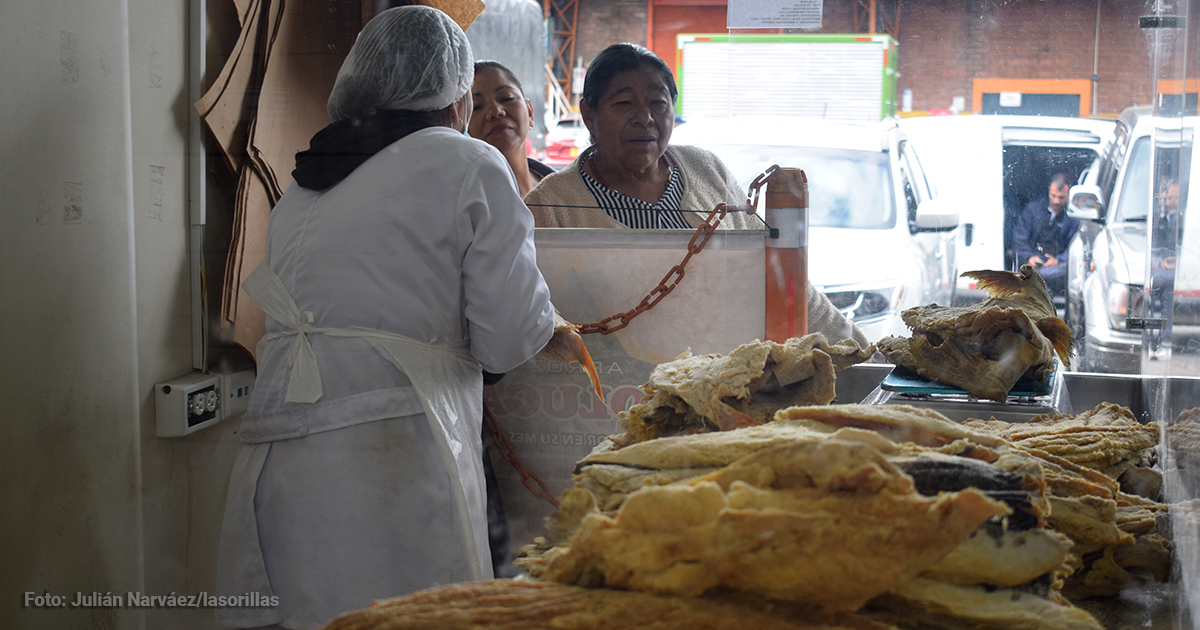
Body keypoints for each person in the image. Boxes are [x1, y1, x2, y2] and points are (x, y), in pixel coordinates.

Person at [215, 7, 555, 629]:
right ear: (454, 95)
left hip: (284, 450)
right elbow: (510, 340)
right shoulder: (468, 164)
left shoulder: (307, 181)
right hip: (400, 452)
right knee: (414, 614)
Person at [524, 43, 868, 347]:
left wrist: (863, 350)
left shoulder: (706, 169)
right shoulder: (548, 206)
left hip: (722, 383)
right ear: (589, 114)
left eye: (658, 103)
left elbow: (778, 277)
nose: (644, 118)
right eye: (624, 103)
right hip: (610, 396)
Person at [469, 60, 554, 197]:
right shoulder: (463, 202)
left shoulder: (564, 192)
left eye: (506, 98)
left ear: (530, 112)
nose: (496, 111)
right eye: (477, 106)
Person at [1012, 172, 1080, 298]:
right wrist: (1029, 258)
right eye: (1053, 196)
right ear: (1048, 190)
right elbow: (1019, 240)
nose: (1056, 201)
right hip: (1033, 261)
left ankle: (1038, 278)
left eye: (1061, 197)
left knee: (1068, 269)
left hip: (1058, 267)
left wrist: (1058, 260)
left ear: (1068, 195)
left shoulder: (1073, 218)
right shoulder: (1032, 211)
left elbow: (1075, 246)